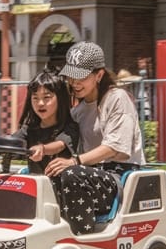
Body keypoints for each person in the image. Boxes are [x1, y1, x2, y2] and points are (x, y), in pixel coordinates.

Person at [46, 41, 146, 235]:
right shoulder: (78, 111)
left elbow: (114, 147)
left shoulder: (117, 98)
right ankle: (54, 233)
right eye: (71, 76)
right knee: (48, 175)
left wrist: (74, 162)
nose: (74, 82)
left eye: (81, 77)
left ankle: (81, 237)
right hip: (91, 175)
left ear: (99, 75)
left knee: (72, 174)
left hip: (119, 177)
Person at [11, 70, 79, 175]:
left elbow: (60, 145)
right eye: (35, 98)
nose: (40, 103)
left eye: (47, 97)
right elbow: (12, 142)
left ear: (60, 99)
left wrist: (42, 149)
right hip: (36, 183)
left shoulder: (70, 128)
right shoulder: (29, 129)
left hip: (62, 182)